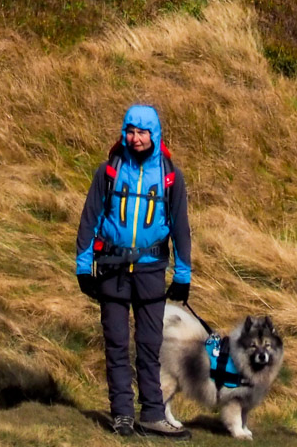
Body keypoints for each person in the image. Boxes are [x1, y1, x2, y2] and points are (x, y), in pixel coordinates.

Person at [76, 105, 193, 438]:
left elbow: (180, 229)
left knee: (149, 344)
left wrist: (182, 276)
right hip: (111, 269)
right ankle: (122, 415)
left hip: (151, 271)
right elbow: (90, 219)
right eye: (130, 131)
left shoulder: (171, 176)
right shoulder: (108, 171)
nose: (135, 138)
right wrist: (84, 268)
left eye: (142, 133)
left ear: (154, 135)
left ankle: (153, 414)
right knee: (115, 344)